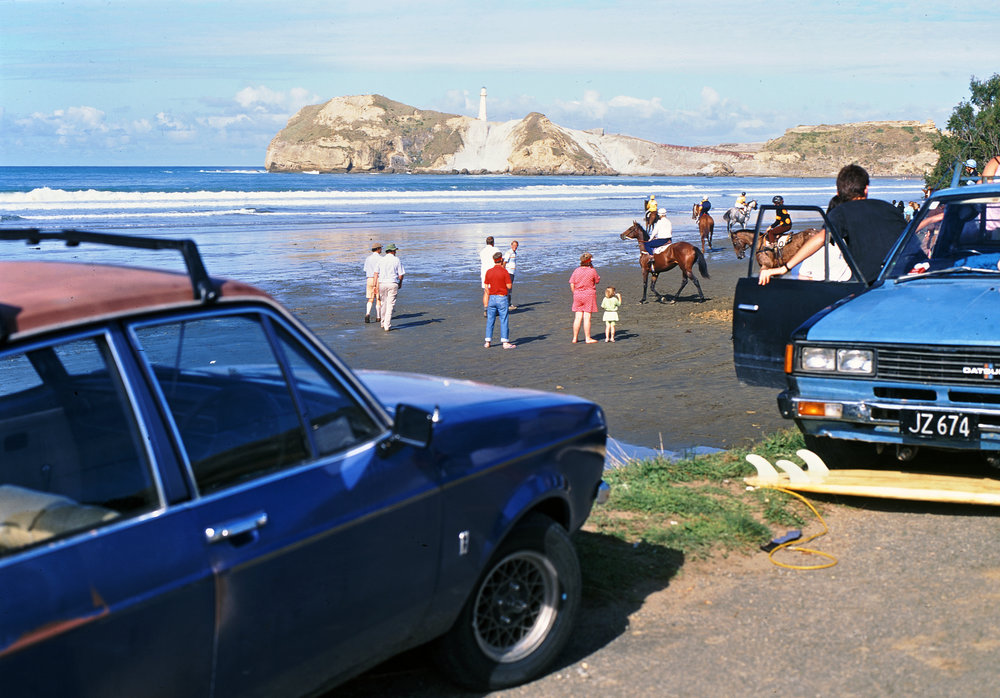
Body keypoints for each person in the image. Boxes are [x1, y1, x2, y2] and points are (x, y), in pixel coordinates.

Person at [759, 164, 905, 286]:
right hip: (903, 277)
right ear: (866, 189)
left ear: (837, 192)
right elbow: (908, 234)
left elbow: (821, 238)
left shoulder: (841, 212)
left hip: (866, 285)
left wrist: (784, 268)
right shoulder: (889, 208)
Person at [483, 251, 515, 349]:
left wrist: (490, 294)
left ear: (494, 260)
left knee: (490, 319)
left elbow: (486, 287)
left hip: (492, 297)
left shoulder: (489, 271)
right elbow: (509, 286)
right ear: (501, 260)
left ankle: (487, 341)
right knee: (504, 319)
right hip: (501, 297)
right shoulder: (504, 271)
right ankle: (505, 342)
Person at [569, 252, 600, 344]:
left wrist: (575, 293)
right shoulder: (592, 271)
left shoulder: (576, 270)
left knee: (577, 317)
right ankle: (587, 338)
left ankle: (575, 338)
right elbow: (597, 280)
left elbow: (572, 283)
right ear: (589, 261)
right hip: (589, 295)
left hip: (577, 294)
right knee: (587, 317)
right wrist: (593, 268)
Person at [374, 243, 405, 331]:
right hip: (392, 283)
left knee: (383, 303)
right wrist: (400, 282)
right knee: (390, 305)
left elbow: (376, 273)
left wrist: (375, 286)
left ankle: (383, 322)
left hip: (382, 283)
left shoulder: (381, 260)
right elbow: (401, 274)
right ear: (392, 251)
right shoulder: (396, 260)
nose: (395, 252)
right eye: (395, 250)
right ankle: (387, 324)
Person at [363, 242, 382, 324]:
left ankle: (367, 313)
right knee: (378, 298)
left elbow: (365, 269)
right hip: (377, 279)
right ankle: (378, 316)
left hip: (369, 279)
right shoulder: (381, 258)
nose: (381, 249)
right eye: (381, 248)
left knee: (370, 298)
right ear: (378, 249)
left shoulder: (368, 258)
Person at [479, 236, 497, 316]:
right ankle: (493, 309)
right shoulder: (495, 250)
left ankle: (486, 309)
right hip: (493, 272)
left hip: (484, 272)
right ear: (493, 242)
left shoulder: (482, 251)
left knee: (486, 291)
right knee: (494, 291)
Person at [503, 240, 519, 309]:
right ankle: (508, 304)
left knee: (509, 288)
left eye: (516, 246)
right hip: (508, 272)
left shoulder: (514, 253)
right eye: (514, 245)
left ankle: (507, 303)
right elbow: (504, 262)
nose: (515, 247)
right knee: (508, 288)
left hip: (512, 273)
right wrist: (503, 271)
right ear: (511, 245)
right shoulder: (509, 252)